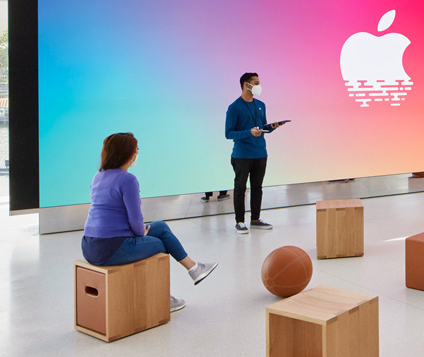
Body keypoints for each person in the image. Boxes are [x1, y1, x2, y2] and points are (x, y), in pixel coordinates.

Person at [81, 133, 218, 312]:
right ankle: (162, 299)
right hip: (112, 248)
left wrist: (138, 232)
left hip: (89, 246)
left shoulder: (98, 176)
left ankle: (194, 268)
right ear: (129, 154)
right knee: (161, 245)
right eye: (136, 150)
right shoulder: (128, 179)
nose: (137, 153)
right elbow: (136, 220)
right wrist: (140, 233)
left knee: (160, 226)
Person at [226, 72, 284, 234]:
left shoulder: (261, 105)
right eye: (256, 82)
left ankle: (256, 219)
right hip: (242, 155)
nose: (259, 86)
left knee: (257, 187)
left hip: (260, 153)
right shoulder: (234, 107)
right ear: (246, 84)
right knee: (240, 188)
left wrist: (272, 127)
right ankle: (239, 221)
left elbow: (262, 128)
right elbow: (229, 133)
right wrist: (248, 133)